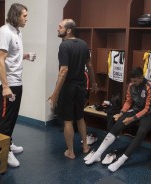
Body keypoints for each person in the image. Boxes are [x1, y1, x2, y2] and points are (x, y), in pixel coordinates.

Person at [85, 67, 151, 172]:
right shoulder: (131, 85)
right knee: (117, 125)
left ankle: (121, 161)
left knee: (141, 132)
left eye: (135, 81)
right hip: (136, 109)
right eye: (131, 81)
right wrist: (121, 113)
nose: (133, 83)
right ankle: (98, 154)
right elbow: (128, 101)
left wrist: (132, 119)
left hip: (149, 114)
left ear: (141, 77)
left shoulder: (150, 87)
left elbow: (147, 109)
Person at [0, 3, 35, 168]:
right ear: (15, 15)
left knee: (12, 117)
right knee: (5, 119)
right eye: (24, 16)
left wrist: (25, 56)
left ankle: (8, 143)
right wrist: (5, 86)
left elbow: (11, 55)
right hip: (7, 83)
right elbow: (0, 60)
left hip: (16, 81)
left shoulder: (17, 32)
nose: (26, 19)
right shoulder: (4, 32)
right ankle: (4, 151)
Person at [49, 19, 98, 160]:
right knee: (80, 117)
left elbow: (63, 70)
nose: (57, 29)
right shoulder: (83, 44)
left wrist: (55, 93)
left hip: (68, 88)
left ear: (68, 30)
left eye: (60, 27)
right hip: (81, 87)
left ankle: (70, 151)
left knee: (68, 120)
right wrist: (93, 82)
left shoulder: (64, 46)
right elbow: (89, 66)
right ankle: (85, 147)